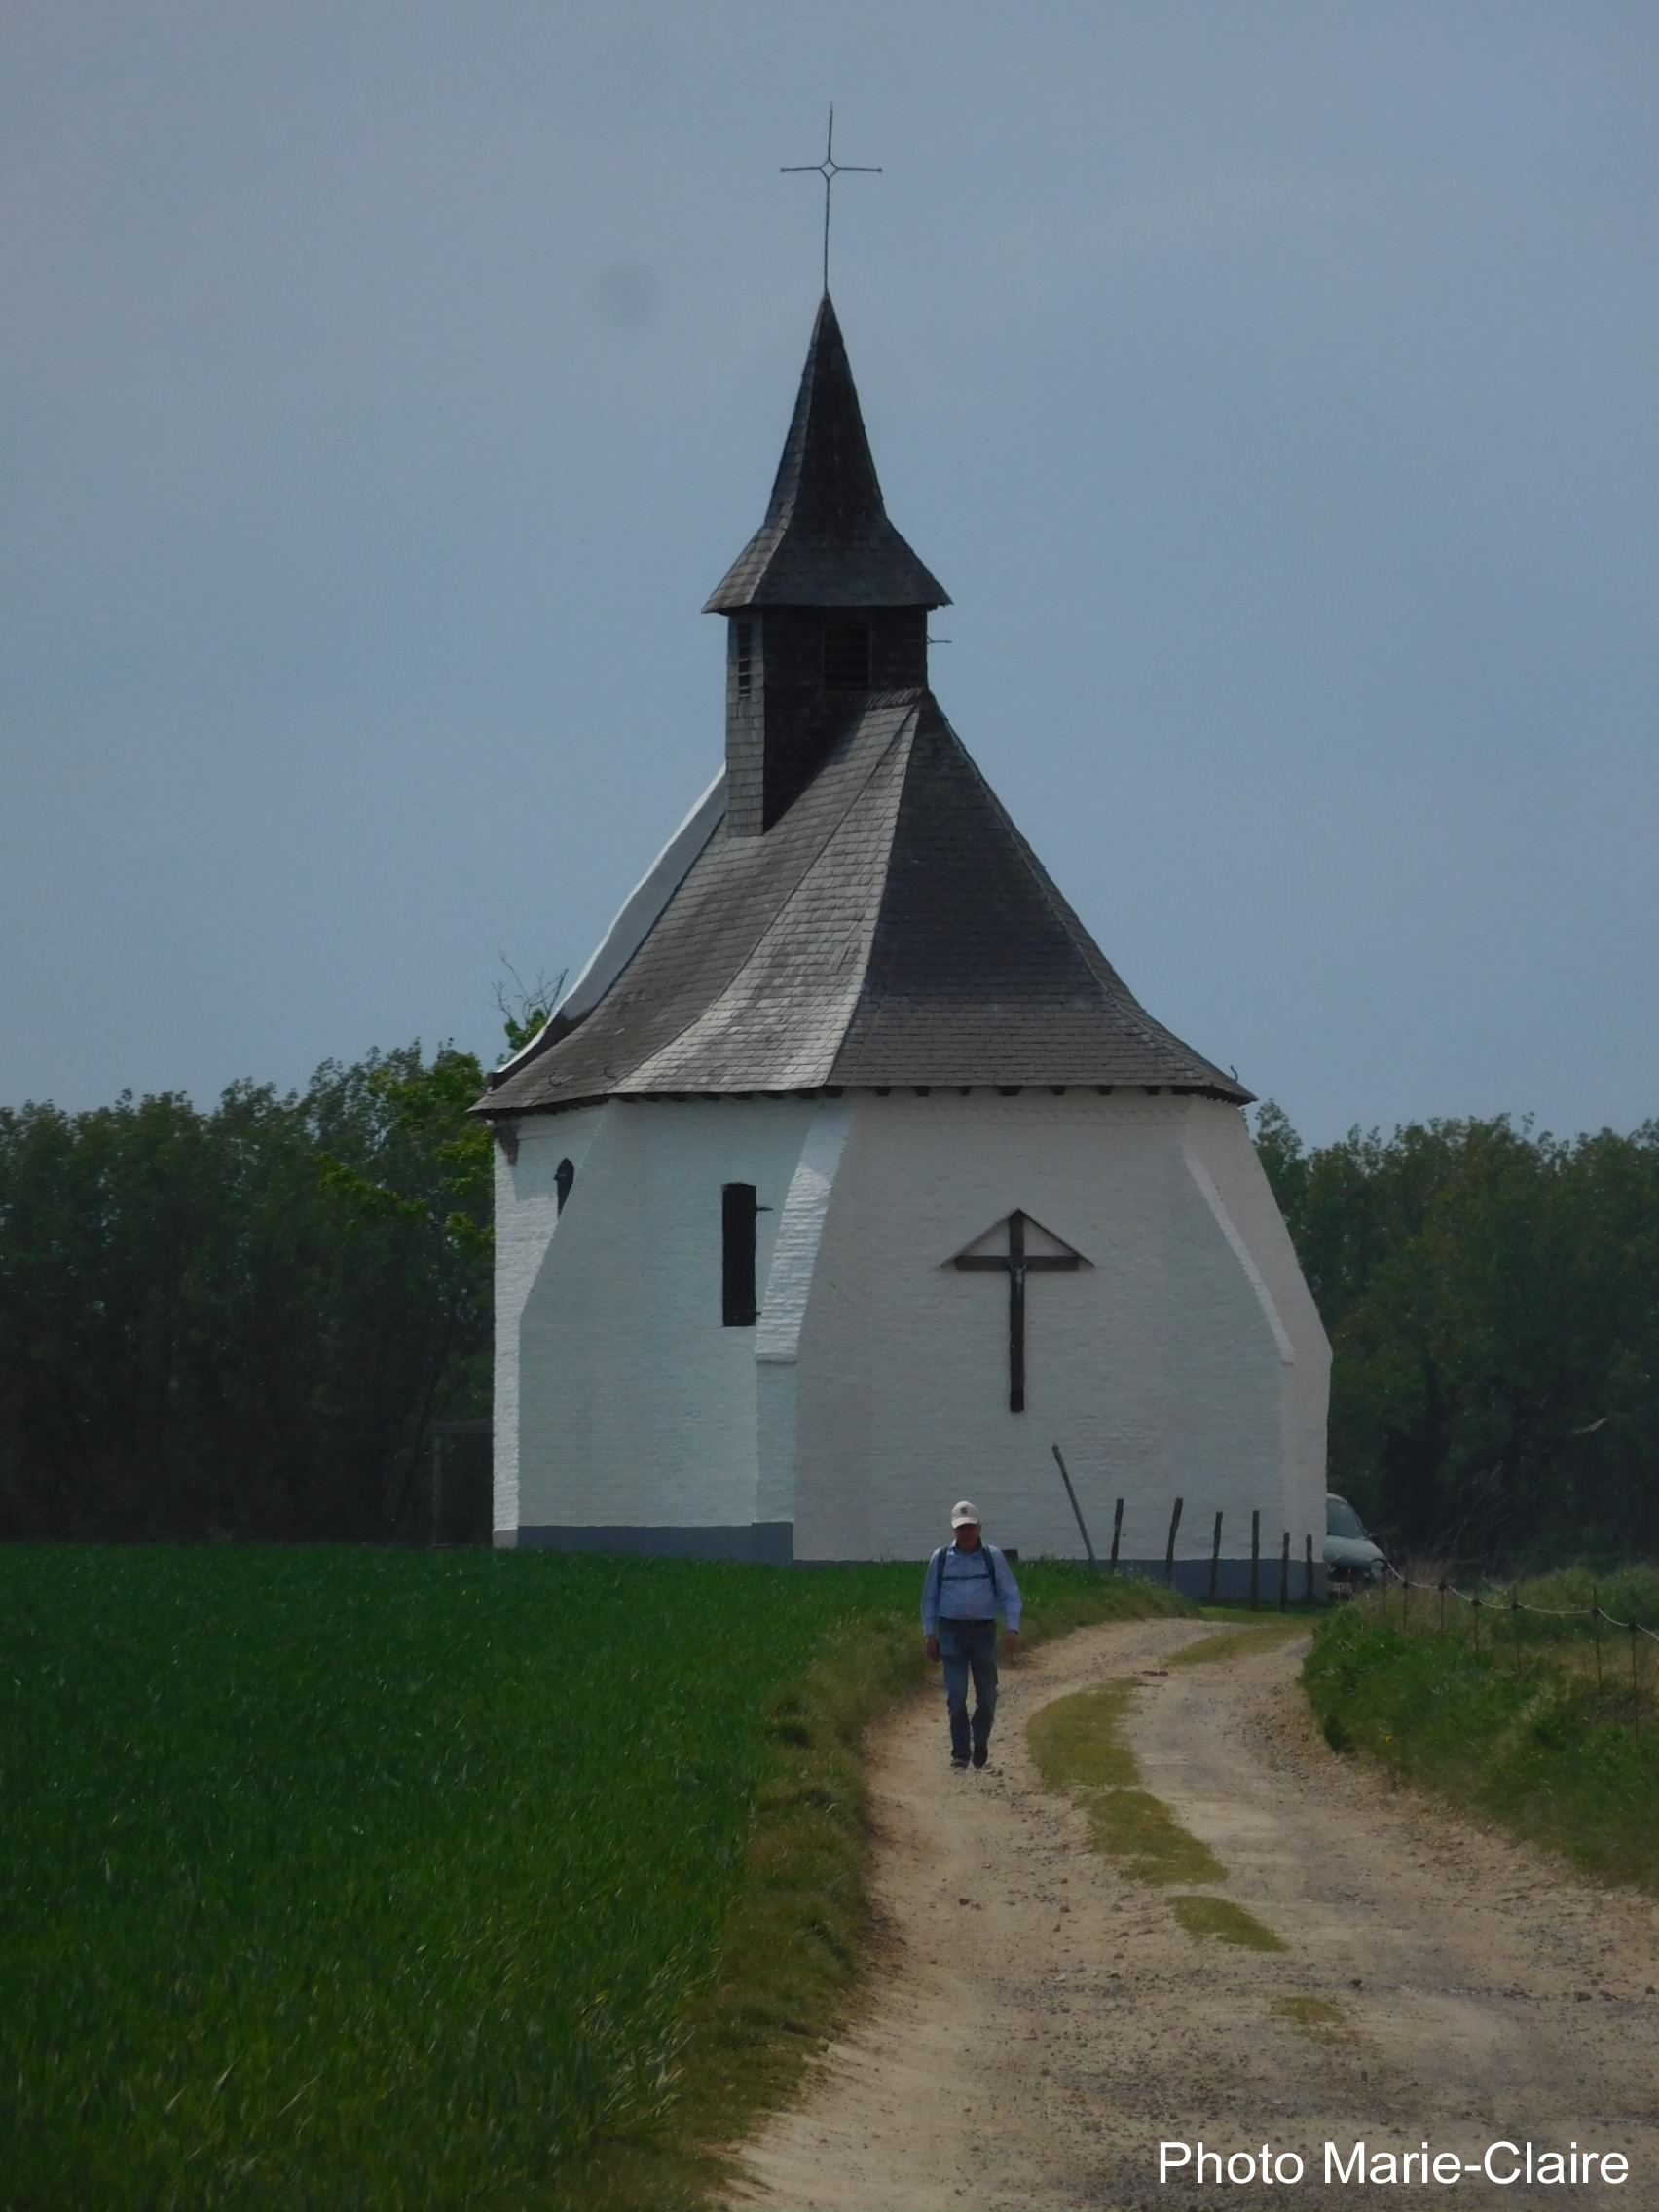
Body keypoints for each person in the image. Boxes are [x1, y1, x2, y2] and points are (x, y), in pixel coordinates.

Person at [922, 1502, 1022, 1770]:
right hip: (951, 1631)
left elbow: (1010, 1594)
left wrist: (1012, 1627)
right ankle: (960, 1752)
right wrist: (929, 1635)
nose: (964, 1533)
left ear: (979, 1528)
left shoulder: (993, 1558)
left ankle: (980, 1738)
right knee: (956, 1696)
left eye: (969, 1527)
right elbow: (929, 1598)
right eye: (960, 1528)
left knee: (987, 1696)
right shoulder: (941, 1558)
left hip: (983, 1632)